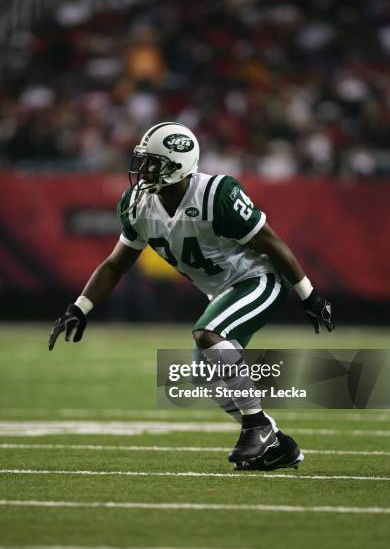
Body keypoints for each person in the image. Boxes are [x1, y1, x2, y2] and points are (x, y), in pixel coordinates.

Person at [49, 122, 335, 471]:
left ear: (179, 164)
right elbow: (114, 265)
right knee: (207, 377)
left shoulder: (216, 194)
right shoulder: (138, 204)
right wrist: (79, 308)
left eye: (154, 163)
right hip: (223, 292)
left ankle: (257, 425)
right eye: (145, 161)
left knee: (207, 333)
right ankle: (278, 445)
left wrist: (309, 296)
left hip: (260, 280)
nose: (144, 170)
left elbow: (273, 244)